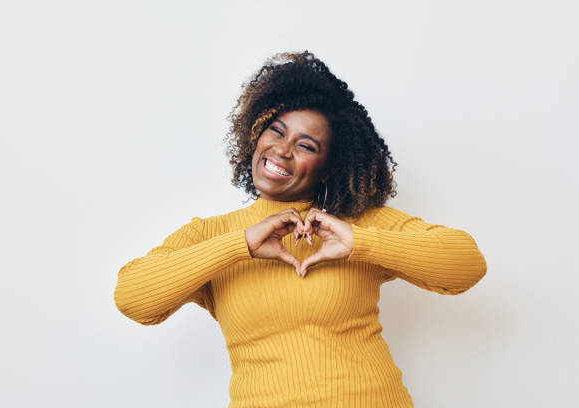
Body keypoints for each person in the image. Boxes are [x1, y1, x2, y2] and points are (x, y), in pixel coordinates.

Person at [113, 50, 487, 407]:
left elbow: (467, 265)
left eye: (305, 145)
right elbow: (133, 298)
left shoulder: (354, 224)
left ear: (328, 168)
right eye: (276, 131)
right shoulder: (213, 235)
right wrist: (239, 245)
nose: (282, 150)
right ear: (256, 133)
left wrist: (360, 242)